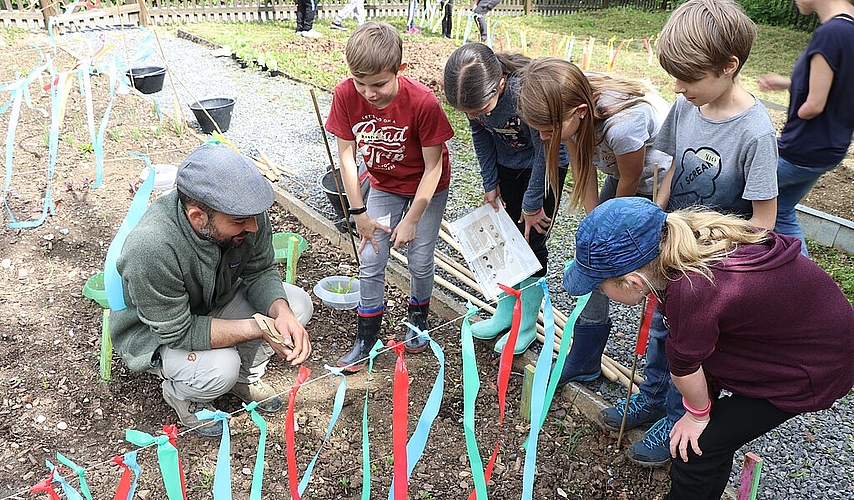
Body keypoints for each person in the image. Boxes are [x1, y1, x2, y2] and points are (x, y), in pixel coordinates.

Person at [563, 196, 854, 500]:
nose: (599, 291)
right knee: (713, 444)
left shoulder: (692, 289)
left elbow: (685, 367)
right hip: (794, 340)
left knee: (695, 450)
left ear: (633, 282)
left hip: (811, 368)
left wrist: (698, 414)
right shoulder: (686, 242)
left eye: (600, 285)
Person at [612, 0, 779, 467]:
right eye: (675, 78)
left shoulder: (756, 133)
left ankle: (675, 417)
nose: (679, 90)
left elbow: (764, 222)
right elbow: (670, 172)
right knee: (661, 330)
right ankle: (650, 397)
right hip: (672, 248)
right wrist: (654, 217)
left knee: (690, 345)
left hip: (709, 265)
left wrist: (716, 255)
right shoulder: (689, 107)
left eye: (689, 79)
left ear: (730, 67)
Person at [110, 144, 314, 437]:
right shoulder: (151, 248)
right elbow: (178, 332)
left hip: (214, 300)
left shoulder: (246, 214)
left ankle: (245, 379)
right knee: (221, 367)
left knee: (296, 304)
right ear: (197, 217)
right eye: (239, 223)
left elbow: (260, 269)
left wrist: (279, 313)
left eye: (255, 217)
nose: (254, 227)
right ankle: (184, 396)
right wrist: (259, 327)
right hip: (160, 331)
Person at [517, 57, 670, 376]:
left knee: (660, 270)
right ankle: (586, 357)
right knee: (591, 259)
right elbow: (584, 171)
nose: (544, 138)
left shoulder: (623, 126)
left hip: (657, 182)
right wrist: (594, 228)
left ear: (581, 113)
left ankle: (661, 374)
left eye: (548, 132)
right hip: (621, 172)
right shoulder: (568, 106)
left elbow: (629, 181)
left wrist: (609, 237)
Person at [324, 22, 454, 371]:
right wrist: (359, 212)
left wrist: (412, 219)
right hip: (382, 185)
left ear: (399, 70)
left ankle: (418, 320)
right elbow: (347, 158)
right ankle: (366, 338)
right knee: (370, 259)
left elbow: (434, 168)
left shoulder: (422, 103)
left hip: (426, 189)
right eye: (360, 82)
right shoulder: (345, 95)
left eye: (379, 83)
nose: (369, 92)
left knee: (420, 258)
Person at [443, 43, 569, 355]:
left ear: (500, 82)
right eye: (467, 112)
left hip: (546, 165)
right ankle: (504, 313)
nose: (474, 116)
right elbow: (480, 135)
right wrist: (490, 182)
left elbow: (545, 151)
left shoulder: (524, 94)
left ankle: (525, 324)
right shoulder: (476, 100)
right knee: (505, 238)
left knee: (530, 240)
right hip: (508, 164)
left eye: (479, 109)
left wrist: (532, 202)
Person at [757, 0, 854, 256]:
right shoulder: (849, 29)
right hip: (829, 149)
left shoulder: (830, 34)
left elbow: (814, 104)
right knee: (783, 210)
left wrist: (799, 111)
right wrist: (789, 83)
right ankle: (806, 277)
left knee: (741, 190)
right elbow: (839, 85)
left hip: (801, 149)